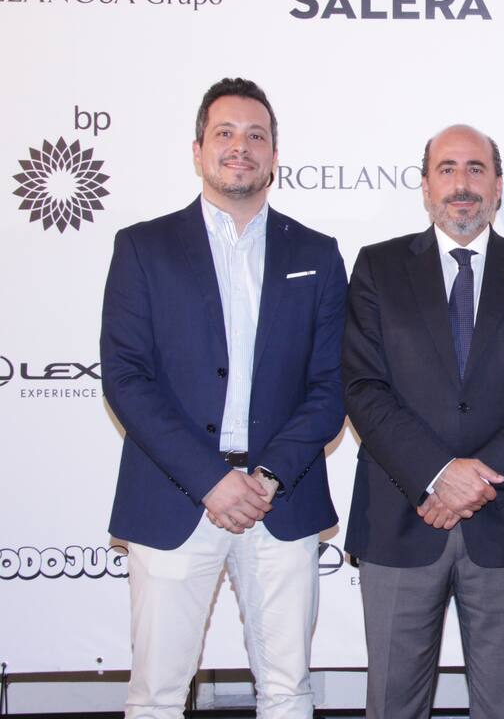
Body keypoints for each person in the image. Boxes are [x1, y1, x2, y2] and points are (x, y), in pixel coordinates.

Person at [100, 77, 347, 719]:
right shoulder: (143, 247)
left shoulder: (317, 254)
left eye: (256, 136)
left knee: (288, 690)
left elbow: (330, 387)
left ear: (275, 156)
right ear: (198, 149)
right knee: (157, 694)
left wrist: (266, 476)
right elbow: (125, 377)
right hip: (173, 496)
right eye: (226, 133)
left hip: (281, 499)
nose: (241, 147)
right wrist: (211, 480)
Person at [342, 124, 504, 719]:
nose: (462, 184)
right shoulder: (378, 266)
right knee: (392, 704)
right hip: (401, 518)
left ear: (498, 186)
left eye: (476, 169)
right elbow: (364, 387)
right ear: (425, 186)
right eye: (447, 169)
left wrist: (476, 479)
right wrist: (438, 474)